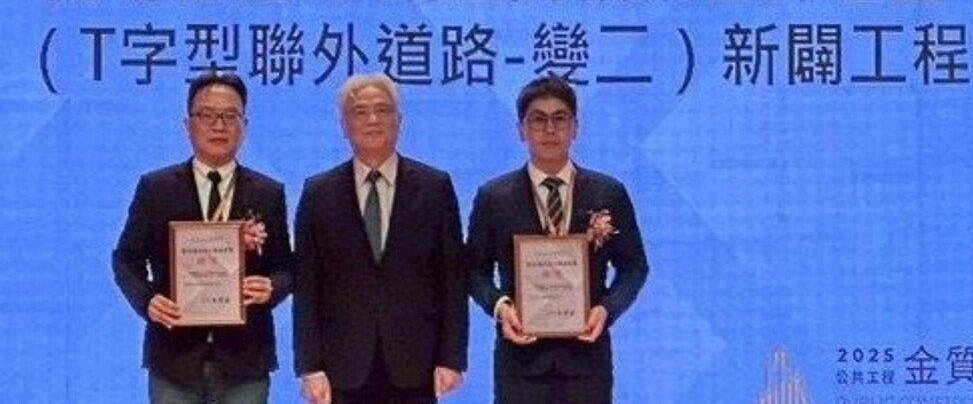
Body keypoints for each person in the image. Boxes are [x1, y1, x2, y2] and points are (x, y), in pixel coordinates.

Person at [112, 71, 293, 404]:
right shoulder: (156, 189)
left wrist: (273, 287)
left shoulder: (268, 193)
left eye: (230, 116)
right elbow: (125, 259)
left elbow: (287, 267)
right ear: (188, 125)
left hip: (245, 361)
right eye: (207, 115)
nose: (218, 126)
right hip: (173, 360)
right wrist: (148, 300)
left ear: (244, 125)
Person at [466, 75, 649, 404]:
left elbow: (634, 267)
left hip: (587, 360)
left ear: (575, 128)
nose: (549, 130)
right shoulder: (494, 197)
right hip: (520, 363)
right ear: (521, 130)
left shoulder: (608, 192)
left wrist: (606, 309)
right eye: (538, 119)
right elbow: (473, 271)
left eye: (560, 119)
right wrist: (500, 307)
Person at [294, 72, 468, 404]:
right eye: (360, 112)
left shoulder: (434, 187)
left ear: (399, 121)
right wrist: (310, 367)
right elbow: (307, 286)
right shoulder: (318, 192)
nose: (373, 119)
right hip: (342, 365)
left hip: (416, 362)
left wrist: (452, 359)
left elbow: (452, 279)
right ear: (344, 126)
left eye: (383, 110)